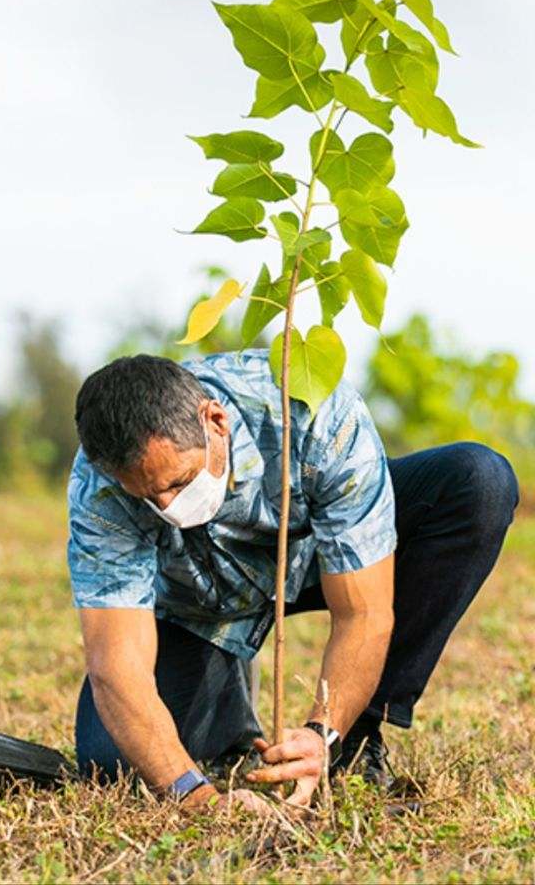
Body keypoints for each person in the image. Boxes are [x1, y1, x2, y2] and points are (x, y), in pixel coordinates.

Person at [66, 349, 519, 814]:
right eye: (149, 497)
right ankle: (227, 713)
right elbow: (116, 664)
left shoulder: (314, 410)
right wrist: (195, 796)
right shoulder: (100, 487)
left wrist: (324, 732)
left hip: (313, 559)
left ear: (215, 421)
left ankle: (356, 737)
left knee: (477, 482)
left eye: (180, 482)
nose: (167, 508)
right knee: (111, 763)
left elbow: (364, 613)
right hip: (199, 606)